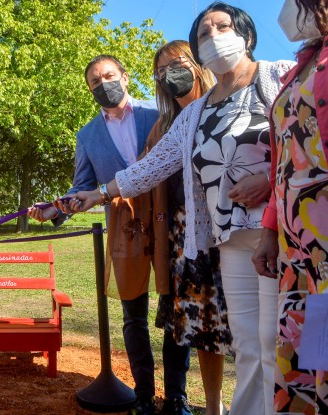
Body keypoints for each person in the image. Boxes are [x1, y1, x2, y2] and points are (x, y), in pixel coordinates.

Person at [67, 3, 294, 415]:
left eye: (221, 27)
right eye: (204, 33)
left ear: (246, 34)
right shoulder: (193, 114)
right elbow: (146, 170)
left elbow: (304, 137)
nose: (214, 37)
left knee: (276, 342)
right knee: (246, 345)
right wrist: (96, 194)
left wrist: (272, 181)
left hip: (277, 232)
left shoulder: (275, 77)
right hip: (224, 241)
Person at [29, 54, 187, 415]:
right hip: (125, 227)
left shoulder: (160, 114)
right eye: (95, 82)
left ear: (125, 77)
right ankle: (144, 395)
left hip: (170, 221)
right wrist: (54, 209)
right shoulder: (87, 135)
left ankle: (176, 398)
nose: (103, 84)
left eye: (109, 76)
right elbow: (82, 187)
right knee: (134, 315)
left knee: (176, 309)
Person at [147, 40, 231, 415]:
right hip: (182, 240)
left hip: (228, 233)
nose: (169, 75)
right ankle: (195, 404)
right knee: (194, 329)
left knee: (235, 327)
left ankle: (232, 405)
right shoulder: (162, 127)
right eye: (161, 71)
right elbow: (140, 175)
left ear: (197, 65)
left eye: (176, 64)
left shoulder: (222, 107)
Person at [252, 0, 328, 413]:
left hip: (326, 240)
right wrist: (269, 230)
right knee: (311, 355)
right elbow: (283, 158)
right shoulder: (303, 64)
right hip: (298, 247)